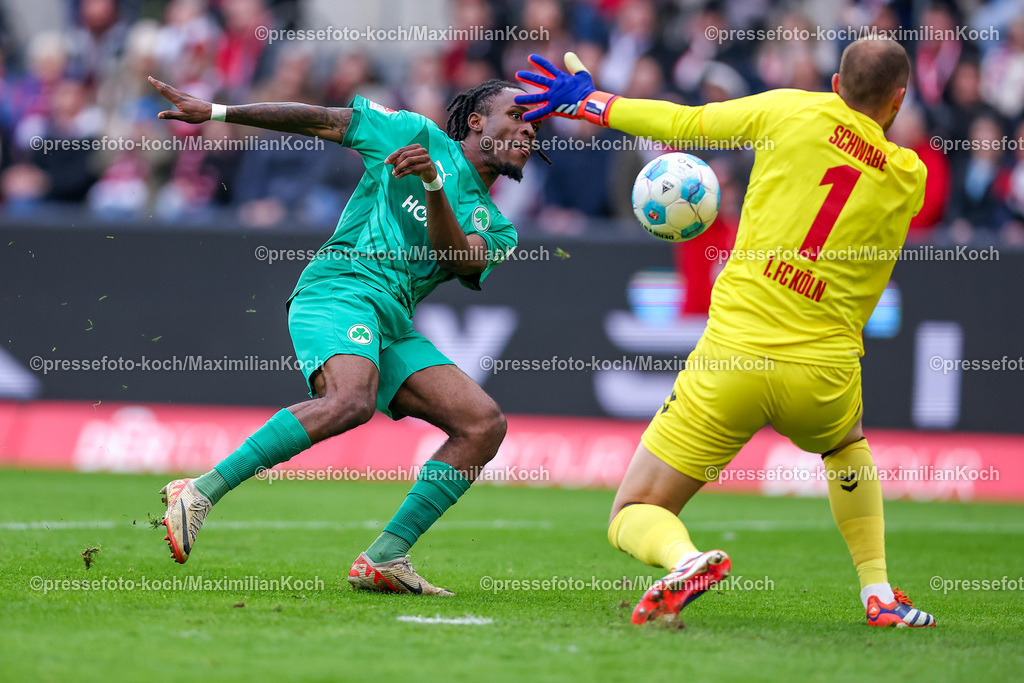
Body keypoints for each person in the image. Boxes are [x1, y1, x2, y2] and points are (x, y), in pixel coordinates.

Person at [515, 39, 936, 627]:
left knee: (632, 509)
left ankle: (685, 560)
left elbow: (685, 123)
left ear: (835, 86)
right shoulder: (909, 175)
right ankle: (879, 593)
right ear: (900, 99)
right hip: (822, 375)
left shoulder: (790, 110)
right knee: (845, 447)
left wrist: (596, 104)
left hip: (732, 361)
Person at [149, 74, 541, 596]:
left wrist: (432, 188)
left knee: (483, 424)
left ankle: (386, 557)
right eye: (516, 116)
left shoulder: (497, 224)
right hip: (340, 286)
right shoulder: (412, 134)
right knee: (351, 399)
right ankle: (198, 491)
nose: (529, 130)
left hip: (392, 320)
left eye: (535, 124)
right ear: (477, 123)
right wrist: (219, 112)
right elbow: (320, 120)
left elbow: (457, 257)